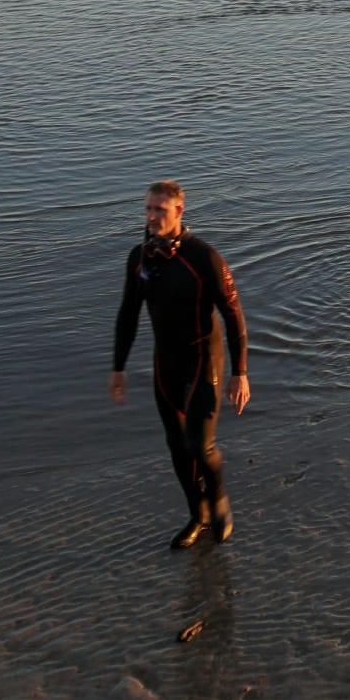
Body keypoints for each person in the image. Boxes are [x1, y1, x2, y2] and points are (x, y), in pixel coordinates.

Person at [109, 180, 250, 550]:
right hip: (165, 364)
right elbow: (128, 315)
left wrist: (240, 373)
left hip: (205, 360)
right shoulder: (139, 258)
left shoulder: (204, 258)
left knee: (200, 446)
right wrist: (118, 367)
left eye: (160, 210)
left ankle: (218, 501)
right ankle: (197, 514)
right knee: (176, 446)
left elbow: (233, 315)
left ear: (179, 212)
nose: (153, 217)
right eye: (148, 209)